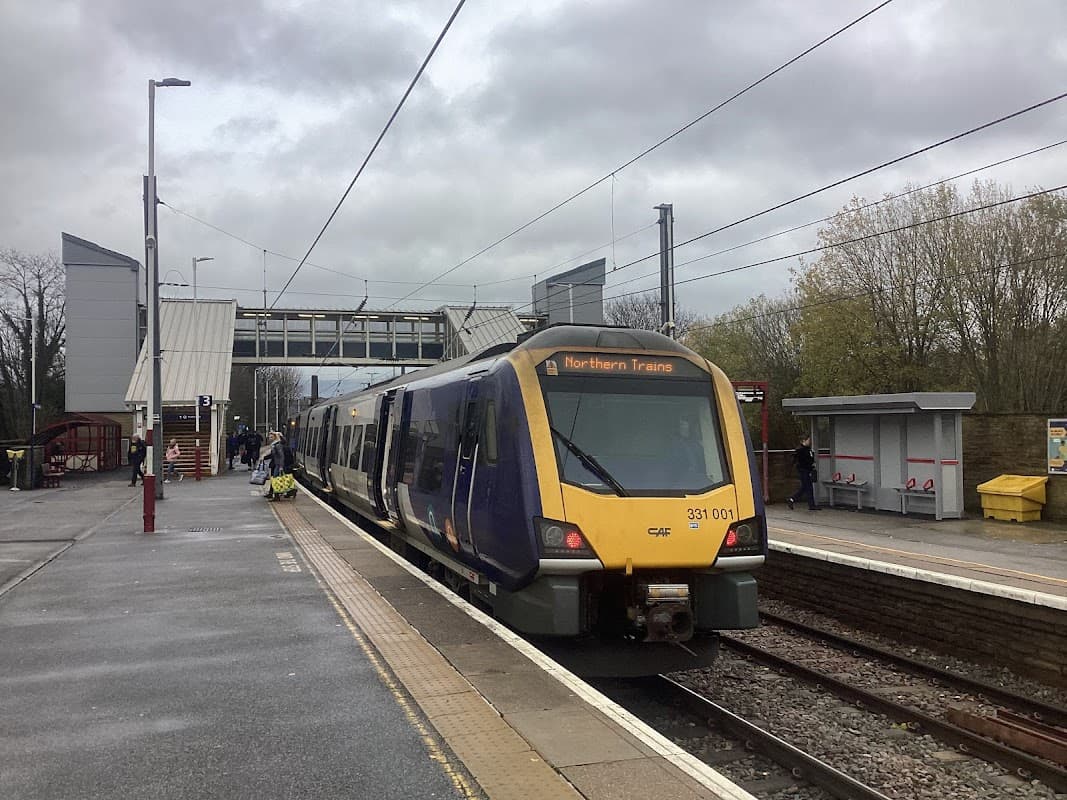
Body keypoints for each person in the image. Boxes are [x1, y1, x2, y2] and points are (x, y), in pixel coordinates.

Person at [787, 435, 819, 511]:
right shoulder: (800, 450)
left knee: (807, 487)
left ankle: (811, 505)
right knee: (806, 487)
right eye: (808, 440)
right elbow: (798, 460)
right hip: (803, 470)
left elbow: (810, 458)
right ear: (803, 441)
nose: (809, 442)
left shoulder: (808, 449)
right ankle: (792, 499)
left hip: (808, 470)